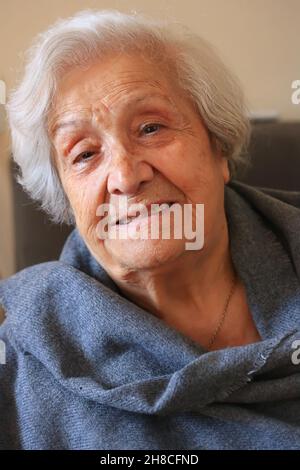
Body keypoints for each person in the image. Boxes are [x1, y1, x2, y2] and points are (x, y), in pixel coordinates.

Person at [0, 9, 299, 450]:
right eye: (84, 154)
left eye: (151, 127)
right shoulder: (20, 359)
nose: (125, 175)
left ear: (219, 148)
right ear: (67, 199)